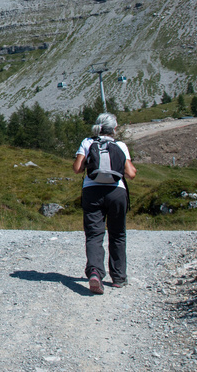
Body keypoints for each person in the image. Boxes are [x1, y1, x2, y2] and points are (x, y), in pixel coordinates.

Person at [72, 112, 136, 294]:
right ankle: (119, 278)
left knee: (94, 235)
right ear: (114, 129)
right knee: (117, 234)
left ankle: (94, 273)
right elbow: (130, 174)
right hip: (117, 192)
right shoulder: (120, 145)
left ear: (97, 127)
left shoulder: (87, 142)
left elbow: (77, 169)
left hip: (92, 191)